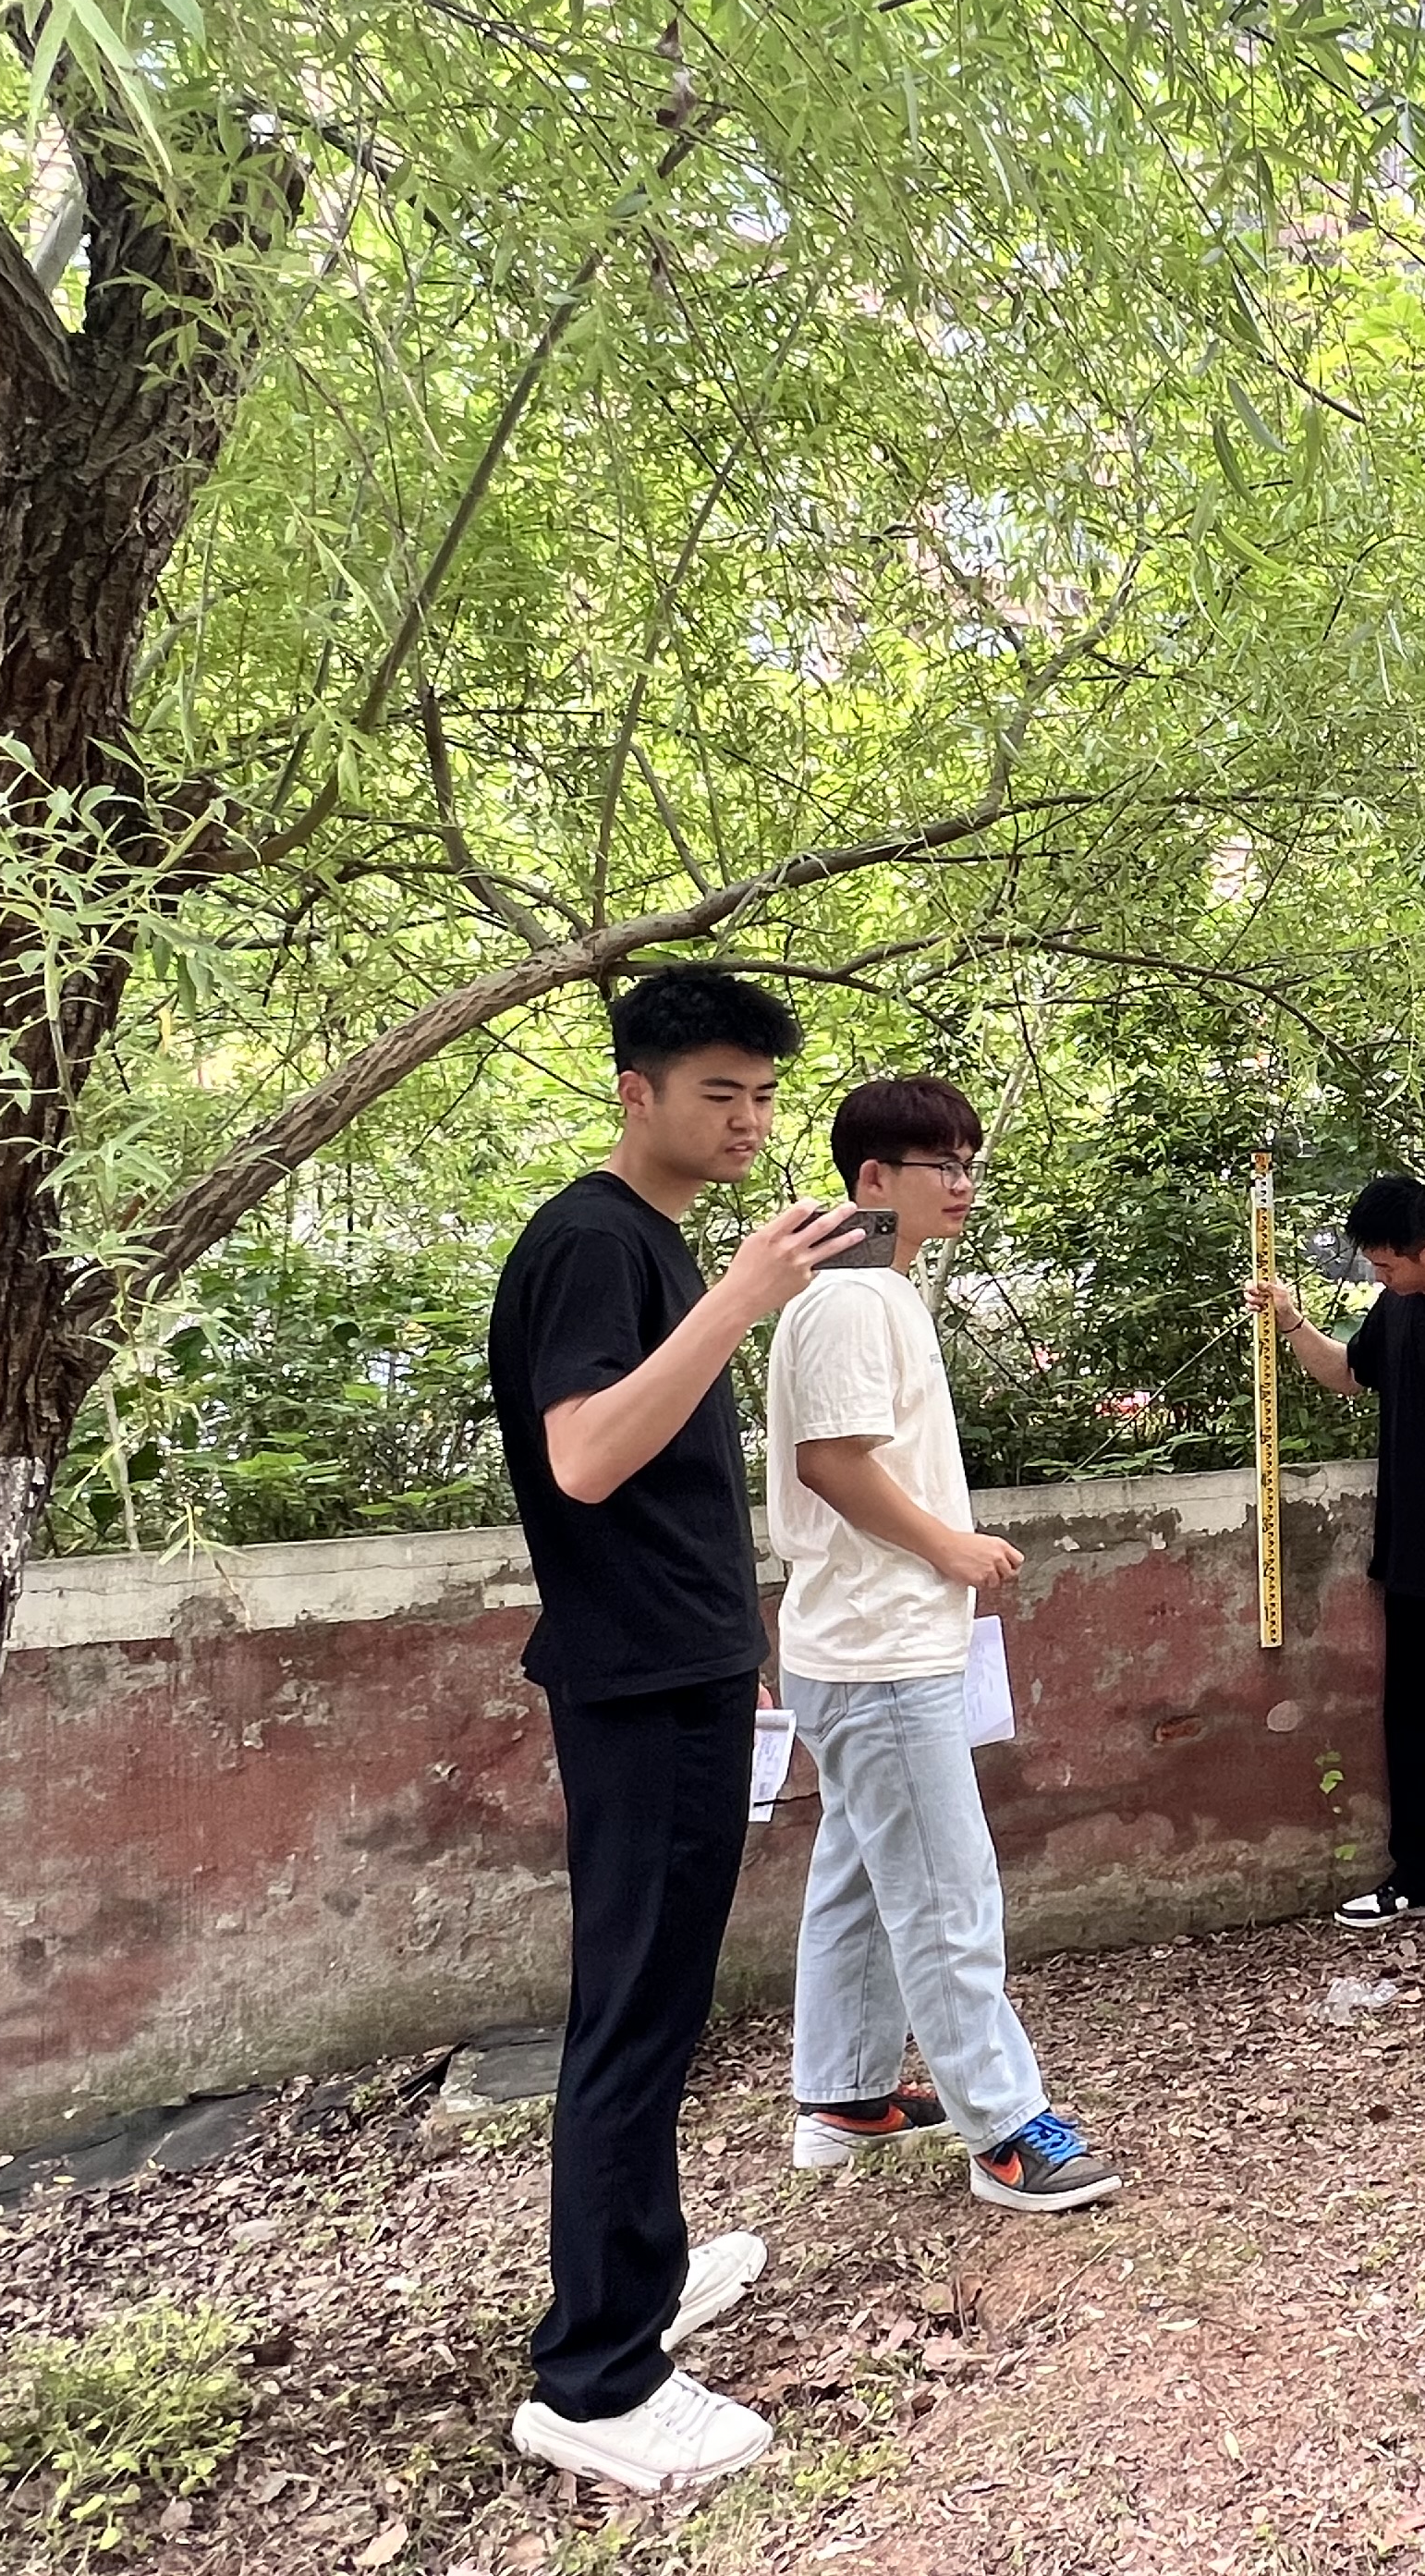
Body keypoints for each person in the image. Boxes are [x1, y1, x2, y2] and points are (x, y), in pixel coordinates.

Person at [487, 968, 867, 2495]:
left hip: (684, 1671)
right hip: (639, 1688)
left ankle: (636, 2274)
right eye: (720, 1092)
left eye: (763, 1095)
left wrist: (743, 1651)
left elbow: (667, 1489)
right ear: (634, 1090)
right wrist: (742, 1299)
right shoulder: (594, 1238)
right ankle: (597, 2377)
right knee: (635, 2013)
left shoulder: (652, 1239)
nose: (749, 1120)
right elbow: (583, 1457)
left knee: (657, 2000)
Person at [765, 1076, 1122, 2214]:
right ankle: (1005, 2131)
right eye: (941, 1166)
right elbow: (832, 1462)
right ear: (874, 1179)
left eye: (970, 1162)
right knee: (944, 1891)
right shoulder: (853, 1299)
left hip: (866, 1638)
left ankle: (844, 2095)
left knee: (863, 1871)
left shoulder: (872, 1289)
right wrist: (949, 1548)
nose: (963, 1183)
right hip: (878, 1645)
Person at [1246, 1175, 1425, 1945]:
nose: (1379, 1277)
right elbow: (1349, 1375)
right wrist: (1291, 1322)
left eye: (1387, 1265)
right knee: (1418, 1723)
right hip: (1410, 1555)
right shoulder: (1399, 1306)